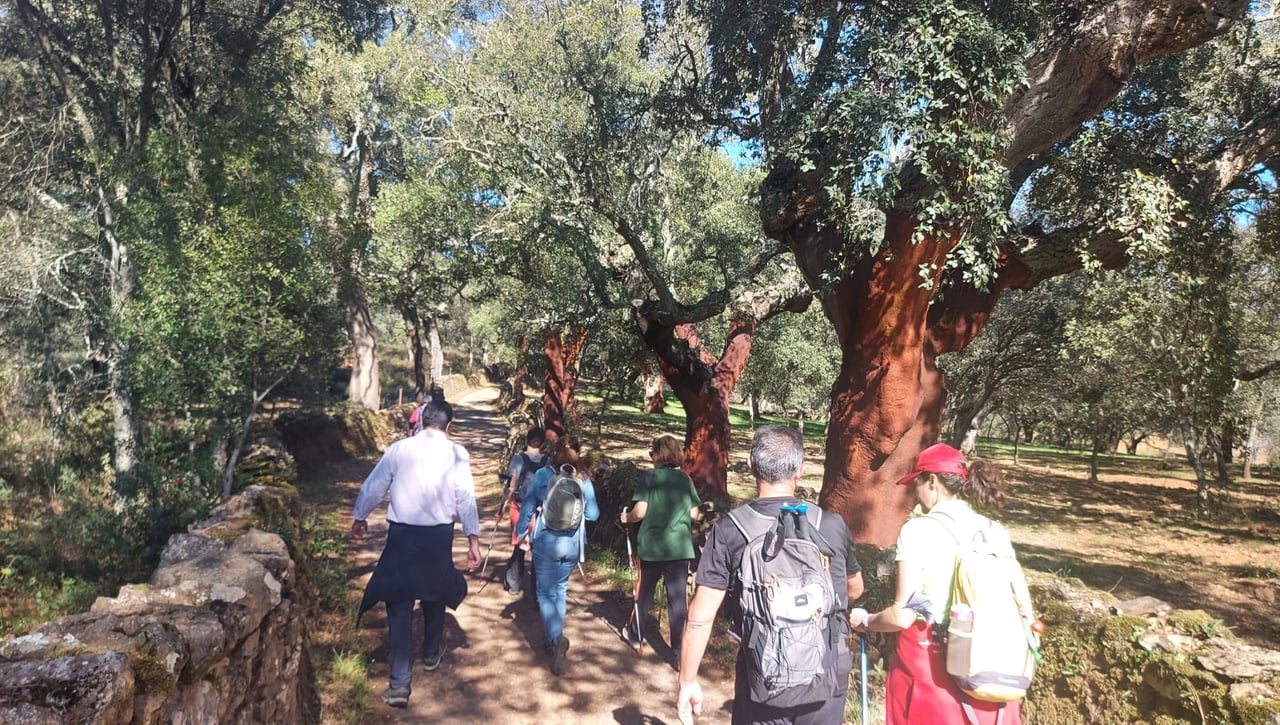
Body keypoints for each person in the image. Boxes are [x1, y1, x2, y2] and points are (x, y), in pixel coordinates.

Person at [677, 425, 864, 725]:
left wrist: (687, 681)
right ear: (800, 470)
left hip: (763, 675)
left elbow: (700, 617)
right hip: (826, 674)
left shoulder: (730, 530)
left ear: (751, 465)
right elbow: (854, 589)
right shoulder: (831, 525)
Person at [849, 442, 1020, 725]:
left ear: (932, 481)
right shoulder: (995, 531)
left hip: (931, 671)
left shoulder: (918, 530)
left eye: (916, 484)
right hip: (992, 669)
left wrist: (866, 620)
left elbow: (902, 616)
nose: (915, 494)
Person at [350, 398, 481, 708]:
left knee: (399, 604)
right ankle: (432, 653)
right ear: (449, 425)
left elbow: (375, 485)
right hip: (438, 537)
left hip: (402, 537)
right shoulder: (457, 454)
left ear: (422, 421)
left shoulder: (400, 450)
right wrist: (473, 541)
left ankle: (399, 684)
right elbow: (465, 498)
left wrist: (360, 516)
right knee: (434, 594)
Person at [515, 435, 600, 675]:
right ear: (578, 454)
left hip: (546, 541)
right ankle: (553, 636)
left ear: (554, 452)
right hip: (573, 544)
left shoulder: (544, 475)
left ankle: (555, 637)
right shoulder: (583, 479)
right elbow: (593, 515)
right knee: (560, 590)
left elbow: (528, 506)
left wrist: (521, 533)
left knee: (544, 593)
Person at [619, 433, 702, 660]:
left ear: (658, 454)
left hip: (652, 547)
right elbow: (695, 514)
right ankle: (678, 652)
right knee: (677, 600)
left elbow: (640, 512)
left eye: (652, 453)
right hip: (680, 549)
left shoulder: (650, 477)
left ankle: (635, 634)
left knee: (644, 593)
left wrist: (627, 518)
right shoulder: (685, 479)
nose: (651, 457)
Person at [503, 426, 548, 596]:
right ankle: (536, 592)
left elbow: (511, 486)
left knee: (519, 544)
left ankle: (514, 583)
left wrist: (502, 507)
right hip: (541, 511)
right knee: (538, 550)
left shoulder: (518, 459)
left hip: (519, 507)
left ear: (526, 440)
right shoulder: (548, 461)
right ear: (542, 443)